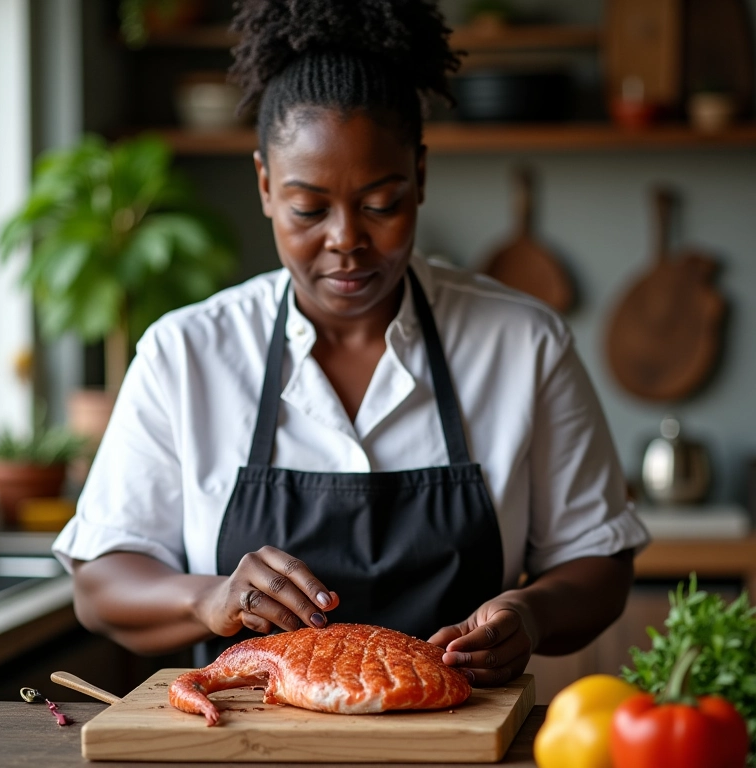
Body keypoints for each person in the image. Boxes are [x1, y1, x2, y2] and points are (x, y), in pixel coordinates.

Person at [53, 0, 649, 685]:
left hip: (458, 745)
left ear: (420, 178)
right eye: (309, 208)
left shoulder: (524, 343)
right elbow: (99, 583)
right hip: (244, 749)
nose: (346, 241)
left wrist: (533, 612)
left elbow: (599, 563)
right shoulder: (185, 353)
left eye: (380, 204)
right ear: (266, 187)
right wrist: (210, 598)